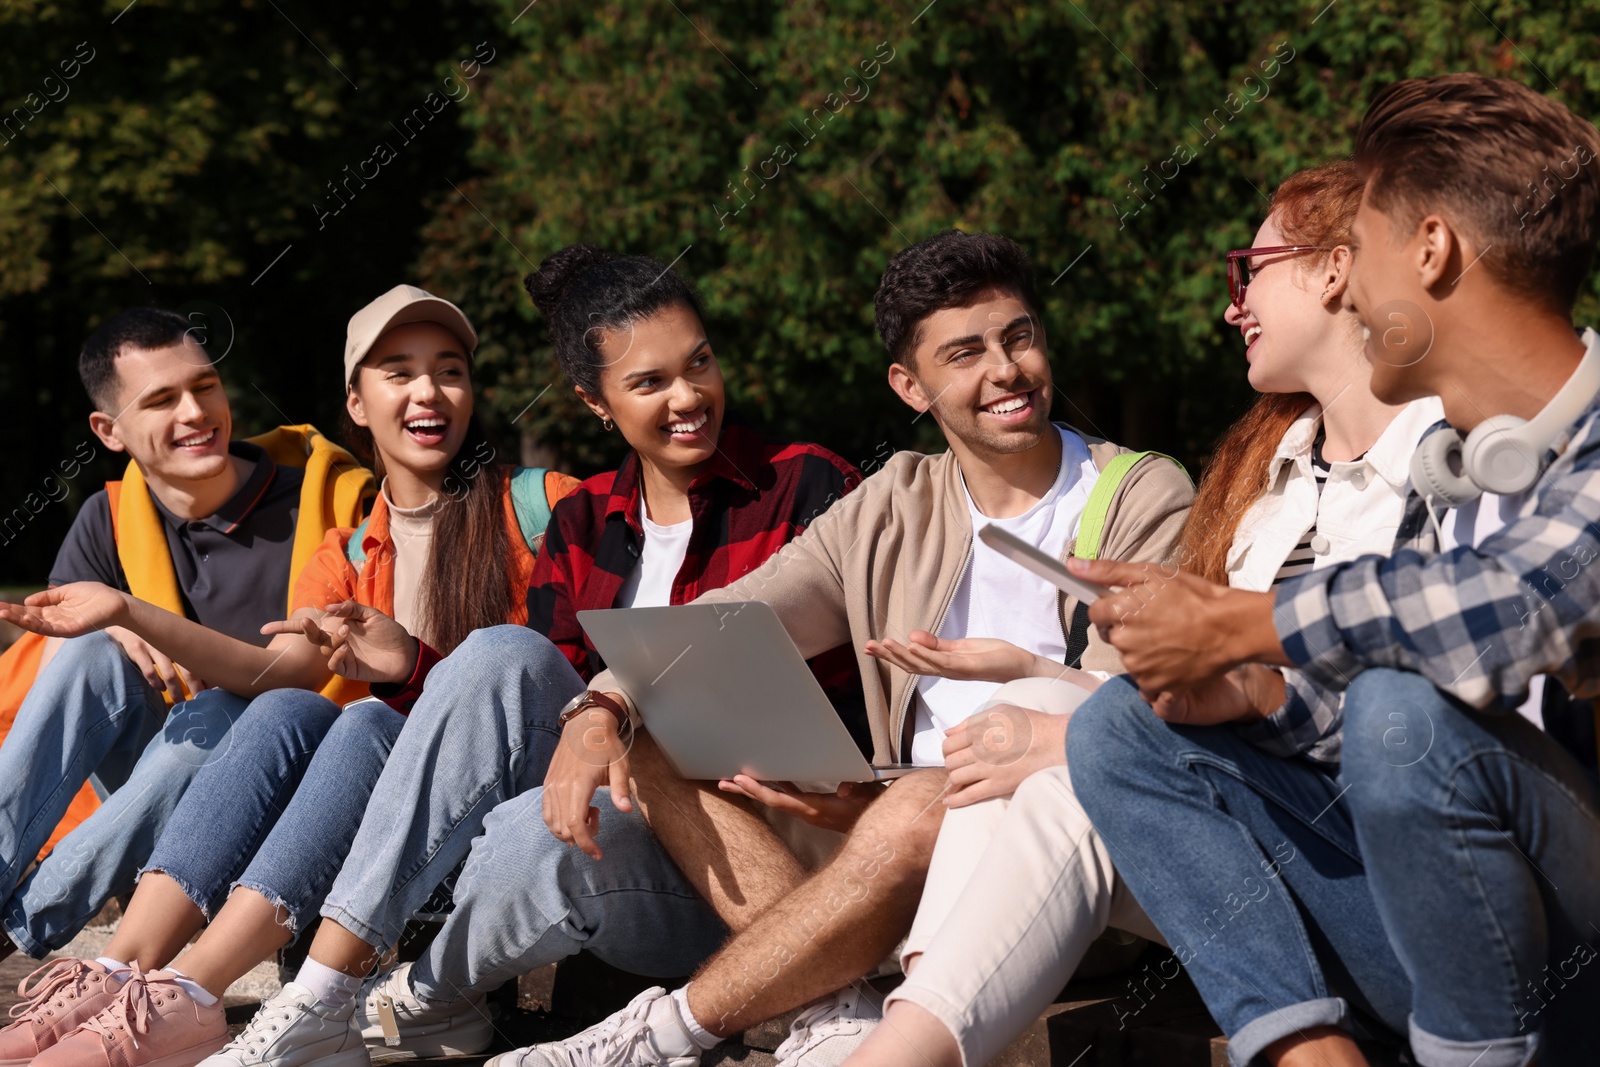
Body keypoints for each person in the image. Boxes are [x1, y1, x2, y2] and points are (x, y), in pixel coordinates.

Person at [365, 229, 1191, 1067]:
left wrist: (900, 802)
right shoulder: (896, 499)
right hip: (877, 844)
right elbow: (729, 616)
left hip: (1054, 857)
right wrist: (600, 705)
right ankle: (830, 1004)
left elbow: (1129, 712)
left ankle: (663, 1032)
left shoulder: (1139, 491)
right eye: (966, 352)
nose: (1005, 370)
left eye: (1018, 337)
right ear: (911, 386)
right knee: (657, 740)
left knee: (918, 804)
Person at [81, 243, 861, 1067]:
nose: (688, 396)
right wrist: (417, 663)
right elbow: (520, 706)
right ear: (594, 401)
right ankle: (288, 991)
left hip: (770, 850)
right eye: (649, 382)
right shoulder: (586, 522)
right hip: (608, 848)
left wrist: (607, 709)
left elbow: (844, 683)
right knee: (469, 768)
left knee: (470, 741)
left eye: (698, 363)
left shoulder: (801, 483)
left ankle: (300, 992)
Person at [839, 161, 1445, 1067]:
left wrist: (1073, 714)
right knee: (1019, 780)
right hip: (1282, 864)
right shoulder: (1271, 479)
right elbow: (1220, 707)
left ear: (1331, 271)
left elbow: (1407, 723)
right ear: (910, 387)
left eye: (1253, 268)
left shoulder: (1449, 463)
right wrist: (1032, 674)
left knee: (1062, 766)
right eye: (964, 352)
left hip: (1407, 899)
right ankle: (901, 1047)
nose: (1232, 305)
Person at [1069, 74, 1600, 1067]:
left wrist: (1242, 621)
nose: (1344, 288)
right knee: (1121, 725)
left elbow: (1509, 611)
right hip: (1460, 944)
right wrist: (1256, 692)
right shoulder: (1456, 466)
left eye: (1353, 253)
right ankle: (1310, 1054)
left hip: (1577, 960)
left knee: (1400, 712)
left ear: (1431, 250)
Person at [0, 284, 575, 1066]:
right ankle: (120, 971)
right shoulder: (344, 553)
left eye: (449, 371)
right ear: (358, 403)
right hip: (372, 834)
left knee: (367, 719)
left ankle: (192, 988)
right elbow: (274, 676)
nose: (428, 391)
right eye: (398, 372)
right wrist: (125, 612)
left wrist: (409, 661)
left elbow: (558, 681)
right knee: (287, 714)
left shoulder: (542, 508)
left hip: (500, 817)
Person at [0, 307, 371, 967]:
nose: (196, 412)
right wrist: (113, 632)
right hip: (146, 816)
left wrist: (134, 614)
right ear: (108, 431)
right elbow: (66, 698)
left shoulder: (331, 502)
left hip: (292, 800)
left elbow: (293, 679)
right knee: (92, 650)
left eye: (204, 386)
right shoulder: (108, 519)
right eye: (162, 399)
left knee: (228, 710)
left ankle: (20, 923)